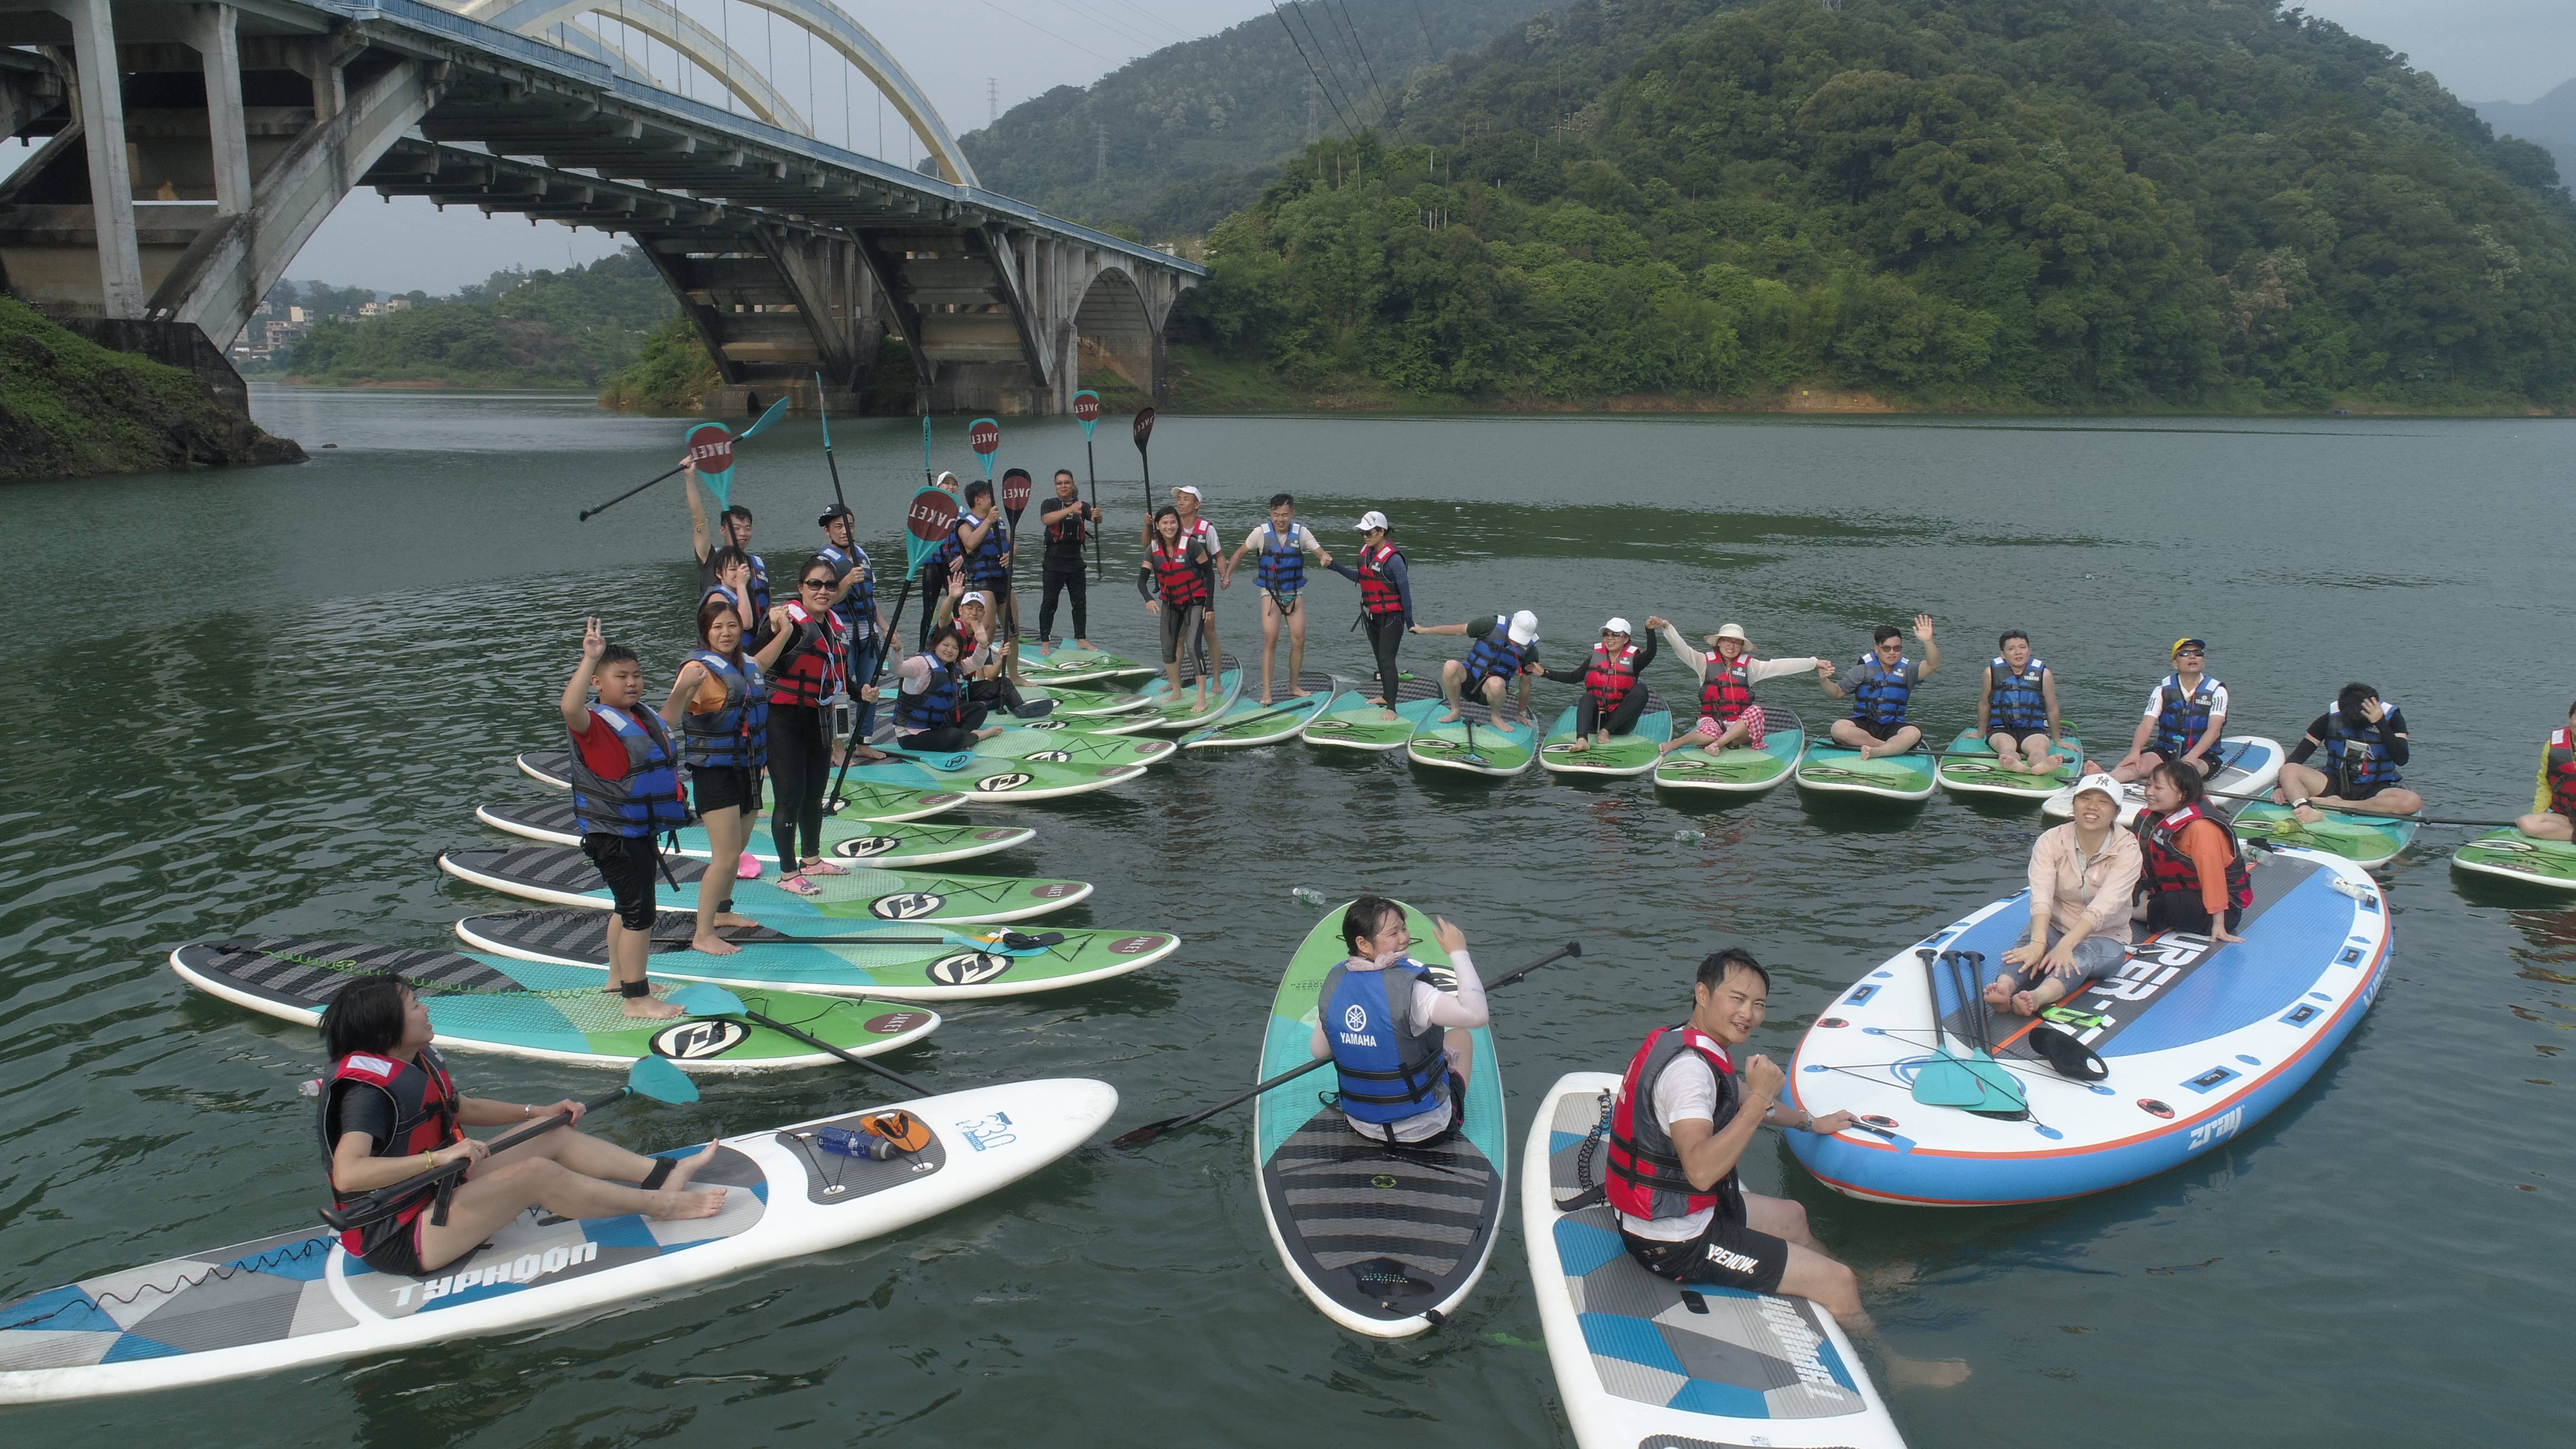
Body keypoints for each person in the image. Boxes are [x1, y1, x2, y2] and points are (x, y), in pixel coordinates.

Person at [1602, 950, 1966, 1389]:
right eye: (1737, 999)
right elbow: (1700, 1171)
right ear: (1703, 993)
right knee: (1837, 1283)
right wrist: (1757, 1100)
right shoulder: (1688, 1074)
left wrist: (1811, 1123)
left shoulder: (1684, 1042)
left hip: (1680, 1214)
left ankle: (1864, 1287)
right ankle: (1893, 1365)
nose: (1748, 1014)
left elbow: (1730, 1093)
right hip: (1676, 1243)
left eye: (1758, 1004)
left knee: (1793, 1215)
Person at [320, 974, 724, 1278]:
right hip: (401, 1237)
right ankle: (663, 1208)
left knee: (552, 1132)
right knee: (535, 1175)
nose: (425, 1009)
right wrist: (441, 1156)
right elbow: (350, 1173)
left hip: (440, 1189)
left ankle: (661, 1176)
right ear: (385, 1028)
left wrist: (538, 1112)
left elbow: (458, 1108)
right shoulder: (365, 1094)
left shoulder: (413, 1060)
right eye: (413, 1005)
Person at [557, 620, 687, 1016]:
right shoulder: (593, 724)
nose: (632, 683)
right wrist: (590, 657)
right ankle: (637, 998)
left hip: (635, 829)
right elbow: (568, 707)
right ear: (597, 682)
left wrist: (686, 688)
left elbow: (669, 722)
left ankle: (619, 979)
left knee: (626, 906)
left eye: (637, 675)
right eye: (621, 677)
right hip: (613, 834)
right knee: (639, 914)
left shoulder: (639, 715)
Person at [658, 595, 791, 954]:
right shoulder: (696, 670)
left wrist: (787, 630)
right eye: (718, 627)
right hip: (714, 772)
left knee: (740, 845)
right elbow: (667, 720)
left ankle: (722, 912)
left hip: (747, 769)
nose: (726, 632)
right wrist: (686, 687)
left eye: (732, 625)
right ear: (706, 632)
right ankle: (703, 934)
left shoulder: (745, 663)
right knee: (726, 855)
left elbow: (763, 662)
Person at [1307, 898, 1484, 1144]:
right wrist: (1458, 952)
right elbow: (1476, 1015)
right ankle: (1453, 1111)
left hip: (1362, 1125)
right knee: (1461, 1036)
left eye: (1403, 928)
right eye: (1393, 933)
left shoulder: (1336, 983)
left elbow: (1319, 1051)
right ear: (1363, 944)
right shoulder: (1415, 992)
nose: (1403, 938)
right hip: (1426, 1132)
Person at [1983, 774, 2141, 1015]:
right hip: (2058, 926)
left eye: (2103, 802)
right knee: (2031, 940)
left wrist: (2067, 945)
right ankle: (2004, 989)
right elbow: (2042, 894)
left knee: (2083, 953)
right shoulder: (2051, 840)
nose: (2092, 807)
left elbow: (2105, 905)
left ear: (2116, 812)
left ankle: (2037, 997)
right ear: (2073, 804)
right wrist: (2039, 943)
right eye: (2085, 799)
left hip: (2106, 937)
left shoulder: (2128, 850)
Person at [765, 557, 863, 899]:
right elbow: (754, 658)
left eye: (830, 585)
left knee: (814, 794)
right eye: (815, 584)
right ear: (801, 587)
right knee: (789, 797)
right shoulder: (785, 620)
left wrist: (858, 690)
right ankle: (788, 873)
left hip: (819, 717)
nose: (823, 591)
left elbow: (838, 674)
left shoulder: (835, 623)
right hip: (784, 720)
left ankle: (812, 859)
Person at [1647, 619, 1827, 759]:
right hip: (1713, 721)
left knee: (1756, 711)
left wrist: (1814, 663)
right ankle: (1678, 743)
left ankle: (1717, 744)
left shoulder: (1751, 667)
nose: (1731, 646)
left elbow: (1780, 666)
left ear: (1742, 647)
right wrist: (1666, 627)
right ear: (1719, 643)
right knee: (1710, 730)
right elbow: (1682, 649)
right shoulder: (1703, 662)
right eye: (1727, 641)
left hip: (1740, 730)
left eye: (1737, 643)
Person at [1224, 493, 1334, 705]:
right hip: (1270, 594)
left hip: (1293, 593)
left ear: (1292, 513)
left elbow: (1318, 550)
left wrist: (1324, 557)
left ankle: (1294, 686)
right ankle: (1267, 692)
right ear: (1271, 514)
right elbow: (1239, 554)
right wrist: (1228, 575)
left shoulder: (1301, 533)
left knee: (1299, 639)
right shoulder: (1261, 533)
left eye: (1285, 515)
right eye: (1276, 515)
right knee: (1270, 639)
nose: (1280, 520)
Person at [2133, 760, 2252, 942]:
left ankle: (2133, 913)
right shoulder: (2161, 814)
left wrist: (2218, 925)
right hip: (2165, 889)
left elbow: (2213, 878)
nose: (2149, 792)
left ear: (2182, 795)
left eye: (2158, 788)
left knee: (2168, 906)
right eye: (2148, 785)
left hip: (2220, 910)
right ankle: (2142, 907)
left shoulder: (2201, 829)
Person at [2272, 683, 2422, 820]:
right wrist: (2280, 786)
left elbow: (2402, 759)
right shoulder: (2328, 720)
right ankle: (2305, 808)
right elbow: (2300, 755)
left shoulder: (2393, 719)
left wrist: (2380, 723)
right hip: (2335, 782)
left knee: (2412, 802)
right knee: (2288, 770)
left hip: (2377, 787)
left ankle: (2340, 805)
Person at [2097, 639, 2227, 781]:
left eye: (2198, 653)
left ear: (2203, 662)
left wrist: (2192, 756)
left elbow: (2214, 730)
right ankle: (2105, 780)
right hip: (2165, 751)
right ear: (2175, 664)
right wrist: (2135, 751)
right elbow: (2147, 724)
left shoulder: (2217, 691)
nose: (2192, 657)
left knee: (2183, 774)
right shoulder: (2162, 691)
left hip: (2202, 755)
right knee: (2135, 767)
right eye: (2185, 653)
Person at [1324, 510, 1412, 719]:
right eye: (1363, 532)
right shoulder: (1367, 553)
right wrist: (1334, 566)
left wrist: (1410, 622)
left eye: (1369, 532)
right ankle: (1385, 695)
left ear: (1382, 532)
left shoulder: (1394, 560)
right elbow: (1361, 578)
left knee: (1387, 659)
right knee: (1379, 658)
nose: (1365, 536)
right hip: (1373, 616)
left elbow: (1405, 591)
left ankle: (1392, 707)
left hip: (1393, 618)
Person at [813, 503, 887, 752]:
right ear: (828, 531)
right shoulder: (823, 561)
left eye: (850, 525)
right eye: (839, 527)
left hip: (868, 635)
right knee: (842, 691)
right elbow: (826, 600)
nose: (846, 531)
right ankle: (838, 746)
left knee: (872, 688)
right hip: (841, 634)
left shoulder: (862, 555)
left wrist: (886, 628)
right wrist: (845, 582)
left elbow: (871, 597)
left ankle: (863, 741)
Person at [929, 577, 1052, 719]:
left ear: (983, 614)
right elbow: (943, 617)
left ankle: (1019, 708)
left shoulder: (980, 638)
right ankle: (983, 705)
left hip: (965, 690)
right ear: (960, 610)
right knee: (967, 706)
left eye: (979, 610)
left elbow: (991, 675)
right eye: (970, 608)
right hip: (944, 688)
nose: (974, 613)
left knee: (1004, 683)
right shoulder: (951, 629)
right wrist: (951, 598)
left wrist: (1000, 659)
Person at [1818, 615, 1940, 757]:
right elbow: (1836, 693)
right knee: (1839, 729)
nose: (1892, 653)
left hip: (1893, 726)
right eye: (1887, 648)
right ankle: (1891, 748)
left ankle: (1879, 751)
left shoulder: (1909, 670)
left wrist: (1928, 642)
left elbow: (1934, 665)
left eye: (1897, 648)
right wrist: (1824, 681)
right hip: (1864, 725)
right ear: (1877, 648)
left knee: (1913, 732)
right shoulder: (1863, 670)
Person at [682, 458, 769, 644]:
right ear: (723, 530)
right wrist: (690, 479)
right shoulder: (711, 557)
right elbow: (699, 520)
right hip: (724, 647)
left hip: (757, 645)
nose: (743, 534)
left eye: (747, 528)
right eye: (736, 528)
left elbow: (766, 604)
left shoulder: (757, 563)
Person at [1139, 504, 1217, 712]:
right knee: (1167, 648)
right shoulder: (1153, 548)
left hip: (1195, 602)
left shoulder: (1191, 544)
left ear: (1178, 524)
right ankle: (1177, 690)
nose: (1169, 526)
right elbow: (1142, 581)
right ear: (1157, 525)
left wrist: (1208, 606)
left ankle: (1201, 697)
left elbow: (1209, 574)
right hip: (1171, 603)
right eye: (1165, 523)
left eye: (1173, 522)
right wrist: (1149, 598)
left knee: (1193, 647)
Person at [1417, 609, 1550, 730]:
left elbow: (1525, 684)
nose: (1516, 642)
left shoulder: (1531, 652)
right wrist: (1423, 630)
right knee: (1450, 666)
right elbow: (1458, 630)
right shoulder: (1489, 624)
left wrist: (1521, 713)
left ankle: (1496, 717)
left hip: (1491, 693)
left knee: (1497, 683)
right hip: (1467, 683)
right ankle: (1455, 711)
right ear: (1511, 625)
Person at [889, 625, 1006, 754]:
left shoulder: (954, 667)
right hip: (912, 735)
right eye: (946, 645)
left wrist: (983, 645)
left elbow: (976, 662)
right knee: (952, 736)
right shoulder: (921, 664)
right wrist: (898, 649)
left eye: (955, 648)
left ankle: (961, 740)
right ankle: (978, 736)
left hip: (938, 725)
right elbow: (897, 669)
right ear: (936, 645)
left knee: (979, 708)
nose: (950, 650)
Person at [1563, 618, 1659, 752]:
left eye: (1615, 634)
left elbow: (1651, 653)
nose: (1610, 638)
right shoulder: (1595, 659)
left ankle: (1606, 730)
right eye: (1606, 634)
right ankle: (1582, 740)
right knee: (1587, 697)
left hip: (1620, 725)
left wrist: (1650, 630)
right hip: (1595, 722)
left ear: (1626, 639)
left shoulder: (1635, 661)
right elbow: (1573, 677)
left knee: (1642, 690)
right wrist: (1545, 672)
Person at [1978, 630, 2066, 773]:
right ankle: (2013, 762)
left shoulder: (2044, 674)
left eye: (2023, 647)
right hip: (2001, 729)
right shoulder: (1991, 673)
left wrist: (2058, 740)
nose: (2018, 652)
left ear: (2029, 651)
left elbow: (2052, 708)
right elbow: (1984, 704)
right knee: (2005, 746)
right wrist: (1980, 733)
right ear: (2003, 654)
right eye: (2011, 649)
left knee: (2039, 749)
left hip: (2033, 730)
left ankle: (2041, 765)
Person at [1036, 467, 1098, 648]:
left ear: (1073, 485)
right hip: (1054, 561)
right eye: (1060, 483)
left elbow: (1096, 520)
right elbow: (1047, 520)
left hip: (1075, 560)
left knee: (1079, 602)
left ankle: (1081, 639)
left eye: (1067, 483)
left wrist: (1097, 515)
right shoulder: (1049, 504)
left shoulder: (1082, 505)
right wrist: (1071, 508)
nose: (1063, 486)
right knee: (1050, 602)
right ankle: (1045, 641)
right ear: (1056, 486)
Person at [2514, 701, 2576, 842]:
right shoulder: (2552, 747)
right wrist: (2537, 815)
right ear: (2570, 718)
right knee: (2527, 823)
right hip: (2569, 817)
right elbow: (2545, 784)